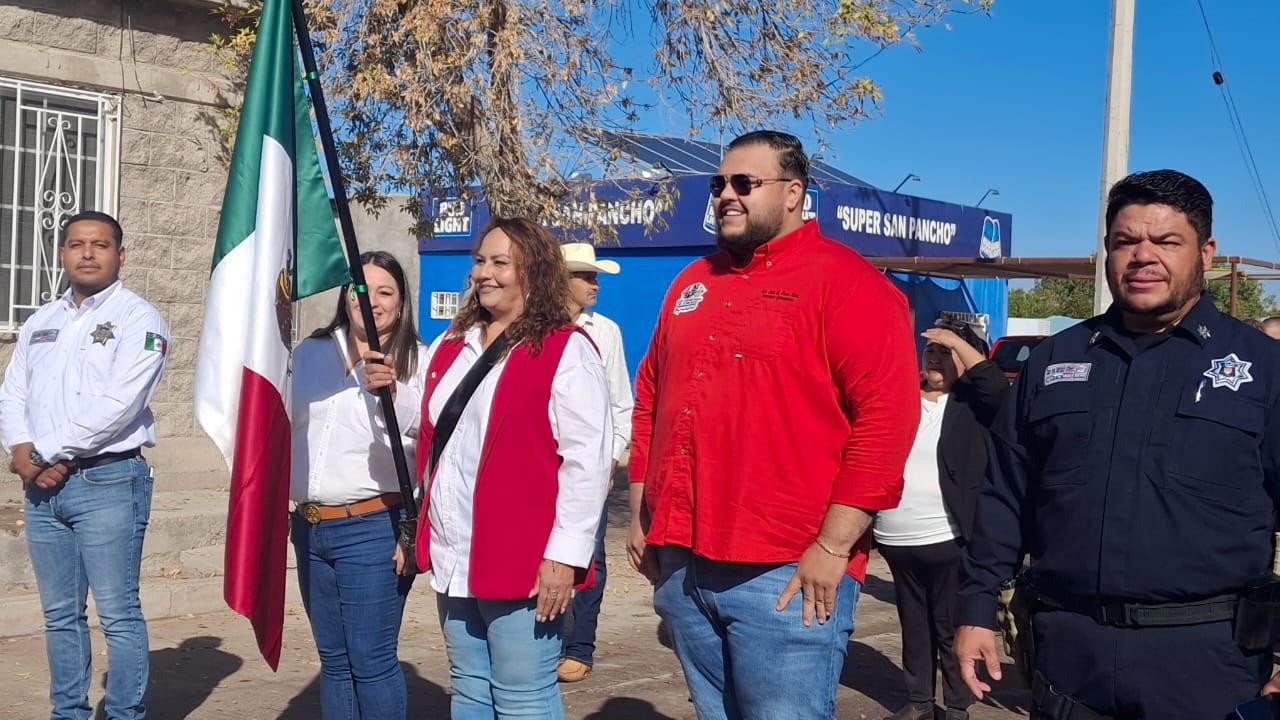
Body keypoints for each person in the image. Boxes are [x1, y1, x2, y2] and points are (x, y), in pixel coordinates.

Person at [955, 169, 1280, 719]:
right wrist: (976, 608)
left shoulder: (1263, 368)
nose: (1142, 256)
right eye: (1125, 242)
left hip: (1208, 663)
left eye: (1166, 241)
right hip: (1070, 656)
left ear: (1206, 252)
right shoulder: (1055, 361)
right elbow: (1006, 495)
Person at [628, 130, 920, 719]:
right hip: (683, 562)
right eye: (718, 184)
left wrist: (834, 547)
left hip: (787, 570)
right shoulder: (692, 283)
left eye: (745, 183)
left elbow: (886, 421)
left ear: (794, 193)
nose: (726, 196)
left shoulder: (849, 283)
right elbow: (652, 398)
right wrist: (642, 514)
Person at [412, 217, 612, 719]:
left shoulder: (566, 350)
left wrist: (565, 558)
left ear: (534, 273)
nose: (486, 273)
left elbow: (587, 463)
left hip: (525, 560)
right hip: (456, 552)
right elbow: (426, 431)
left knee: (523, 694)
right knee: (471, 688)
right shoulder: (450, 347)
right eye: (481, 260)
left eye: (502, 262)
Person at [0, 210, 169, 719]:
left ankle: (123, 714)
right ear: (63, 253)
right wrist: (21, 452)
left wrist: (47, 452)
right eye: (77, 244)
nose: (88, 253)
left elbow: (120, 404)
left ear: (121, 255)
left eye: (100, 245)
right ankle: (68, 713)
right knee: (59, 616)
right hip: (42, 489)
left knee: (117, 614)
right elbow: (14, 393)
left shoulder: (141, 319)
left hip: (110, 481)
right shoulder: (41, 321)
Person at [291, 250, 427, 719]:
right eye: (361, 289)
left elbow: (429, 436)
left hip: (374, 526)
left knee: (370, 660)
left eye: (385, 291)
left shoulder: (418, 360)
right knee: (334, 661)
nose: (371, 301)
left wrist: (393, 391)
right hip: (310, 528)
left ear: (400, 301)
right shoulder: (309, 353)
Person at [875, 322, 1006, 720]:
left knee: (950, 626)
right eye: (930, 350)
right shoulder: (900, 397)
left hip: (947, 537)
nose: (935, 357)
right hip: (896, 538)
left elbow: (997, 387)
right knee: (914, 628)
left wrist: (956, 341)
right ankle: (918, 701)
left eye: (946, 352)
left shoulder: (974, 405)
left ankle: (955, 704)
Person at [556, 243, 633, 683]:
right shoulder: (534, 328)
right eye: (587, 275)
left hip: (591, 467)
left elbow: (621, 402)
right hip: (543, 466)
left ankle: (579, 646)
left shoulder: (605, 332)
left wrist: (610, 461)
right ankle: (544, 635)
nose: (595, 284)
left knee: (591, 557)